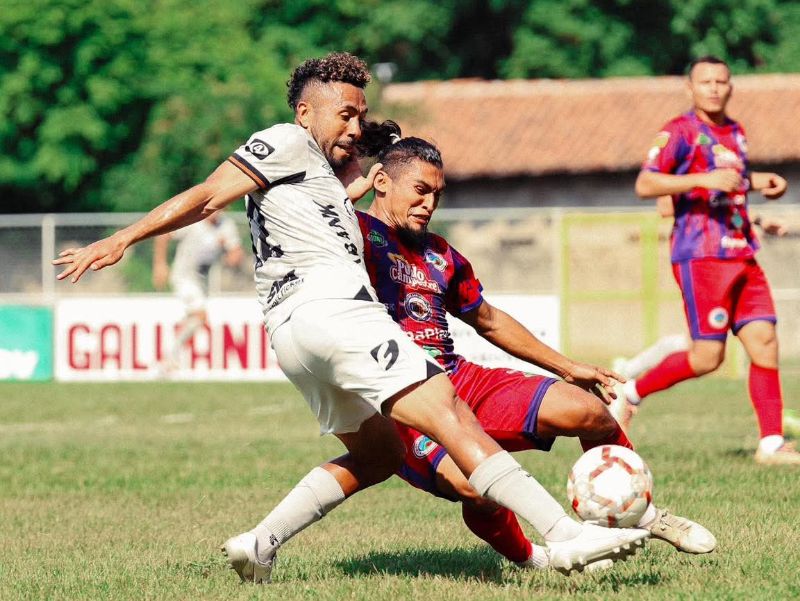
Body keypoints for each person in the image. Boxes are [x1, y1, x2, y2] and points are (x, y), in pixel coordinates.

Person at [52, 52, 648, 584]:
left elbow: (351, 192)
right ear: (305, 110)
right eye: (344, 113)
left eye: (360, 115)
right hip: (333, 312)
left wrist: (371, 162)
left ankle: (259, 544)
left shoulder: (321, 185)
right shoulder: (285, 140)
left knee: (379, 456)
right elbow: (210, 195)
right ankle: (566, 537)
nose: (354, 125)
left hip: (291, 336)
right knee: (451, 415)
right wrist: (122, 240)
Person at [352, 132, 715, 565]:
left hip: (460, 379)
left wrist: (567, 366)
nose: (429, 203)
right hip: (400, 399)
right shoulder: (351, 236)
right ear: (381, 183)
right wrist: (349, 187)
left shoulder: (440, 253)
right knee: (477, 486)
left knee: (590, 413)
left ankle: (641, 514)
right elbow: (308, 207)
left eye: (437, 194)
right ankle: (535, 560)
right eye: (420, 190)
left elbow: (486, 318)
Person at [610, 55, 799, 465]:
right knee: (707, 358)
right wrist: (700, 179)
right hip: (701, 256)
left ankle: (770, 444)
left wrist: (759, 208)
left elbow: (727, 192)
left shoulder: (735, 133)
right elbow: (646, 183)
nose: (714, 87)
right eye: (705, 81)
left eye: (721, 81)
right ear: (689, 88)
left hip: (742, 250)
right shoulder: (679, 132)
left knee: (765, 343)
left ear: (731, 87)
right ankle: (630, 393)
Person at [152, 210, 243, 372]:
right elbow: (163, 236)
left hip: (204, 281)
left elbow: (236, 252)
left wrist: (232, 254)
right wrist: (160, 265)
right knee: (200, 315)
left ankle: (168, 358)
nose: (216, 211)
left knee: (194, 319)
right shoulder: (193, 221)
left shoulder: (226, 225)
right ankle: (170, 355)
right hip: (184, 276)